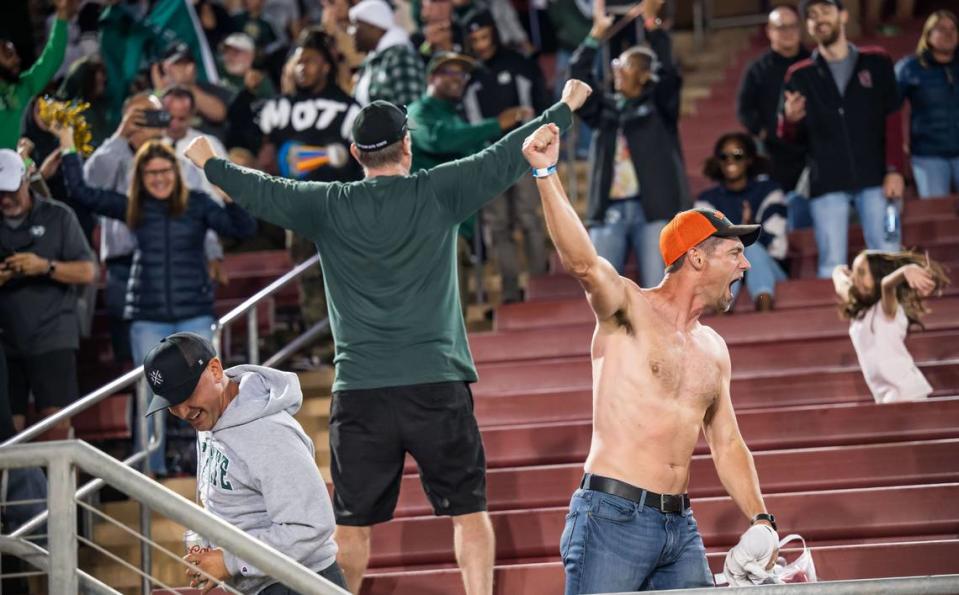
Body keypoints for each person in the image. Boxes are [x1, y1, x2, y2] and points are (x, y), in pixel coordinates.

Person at [182, 79, 592, 595]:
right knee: (469, 514)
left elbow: (261, 189)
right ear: (408, 145)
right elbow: (509, 153)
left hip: (360, 392)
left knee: (351, 526)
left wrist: (208, 161)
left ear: (355, 153)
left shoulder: (327, 204)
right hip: (436, 385)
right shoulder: (439, 189)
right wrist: (566, 106)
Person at [519, 123, 780, 593]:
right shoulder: (629, 309)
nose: (745, 266)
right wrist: (547, 173)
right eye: (735, 254)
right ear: (697, 259)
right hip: (610, 519)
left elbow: (727, 444)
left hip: (679, 528)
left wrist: (762, 519)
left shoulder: (713, 347)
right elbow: (582, 263)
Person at [57, 127, 257, 476]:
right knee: (153, 397)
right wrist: (67, 147)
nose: (159, 178)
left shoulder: (196, 204)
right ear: (140, 177)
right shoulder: (133, 206)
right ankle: (150, 471)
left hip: (194, 311)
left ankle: (225, 467)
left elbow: (242, 228)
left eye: (165, 171)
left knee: (210, 391)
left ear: (176, 173)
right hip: (148, 315)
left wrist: (226, 190)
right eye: (151, 173)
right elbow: (82, 192)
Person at [140, 332, 347, 593]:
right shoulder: (210, 417)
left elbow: (311, 525)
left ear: (215, 370)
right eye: (172, 403)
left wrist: (230, 561)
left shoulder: (269, 433)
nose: (182, 412)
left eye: (186, 393)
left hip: (300, 583)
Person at [83, 92, 223, 366]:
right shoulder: (112, 156)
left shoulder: (180, 166)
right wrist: (120, 137)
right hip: (124, 267)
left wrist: (212, 252)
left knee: (185, 364)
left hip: (177, 262)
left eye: (152, 116)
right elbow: (89, 184)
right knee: (134, 360)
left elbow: (199, 212)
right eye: (138, 116)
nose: (146, 124)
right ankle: (139, 408)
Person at [778, 0, 904, 279]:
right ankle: (839, 323)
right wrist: (790, 120)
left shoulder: (878, 61)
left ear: (843, 16)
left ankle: (897, 322)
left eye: (825, 11)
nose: (818, 19)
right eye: (811, 15)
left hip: (877, 179)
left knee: (888, 255)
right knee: (831, 266)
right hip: (827, 184)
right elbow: (787, 137)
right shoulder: (799, 75)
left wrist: (895, 170)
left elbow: (893, 119)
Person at [570, 0, 690, 288]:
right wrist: (594, 36)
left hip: (652, 209)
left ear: (645, 75)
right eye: (616, 64)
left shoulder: (660, 107)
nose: (618, 70)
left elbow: (670, 74)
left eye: (626, 65)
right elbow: (576, 79)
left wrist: (651, 25)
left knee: (657, 290)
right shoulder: (604, 109)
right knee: (602, 290)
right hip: (609, 211)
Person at [407, 51, 531, 308]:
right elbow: (437, 140)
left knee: (456, 313)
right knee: (440, 313)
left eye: (462, 74)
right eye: (449, 72)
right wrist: (495, 125)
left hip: (458, 228)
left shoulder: (454, 115)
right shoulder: (418, 112)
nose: (458, 79)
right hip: (432, 226)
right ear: (431, 77)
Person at [0, 148, 97, 435]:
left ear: (26, 179)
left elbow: (88, 271)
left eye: (10, 190)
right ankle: (18, 483)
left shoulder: (58, 216)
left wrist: (45, 267)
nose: (5, 199)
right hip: (5, 341)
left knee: (56, 422)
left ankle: (59, 483)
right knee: (8, 429)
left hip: (52, 334)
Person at [462, 10, 552, 303]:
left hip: (525, 155)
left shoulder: (519, 65)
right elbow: (468, 122)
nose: (481, 45)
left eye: (485, 37)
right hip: (489, 162)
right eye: (475, 40)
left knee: (529, 218)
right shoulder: (469, 76)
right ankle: (511, 291)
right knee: (498, 227)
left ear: (495, 33)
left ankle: (540, 284)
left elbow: (540, 104)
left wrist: (542, 142)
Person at [832, 250, 949, 404]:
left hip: (907, 393)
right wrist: (838, 270)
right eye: (854, 274)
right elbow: (841, 282)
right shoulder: (861, 312)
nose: (855, 278)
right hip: (886, 397)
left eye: (861, 273)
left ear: (877, 276)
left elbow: (887, 285)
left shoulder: (888, 309)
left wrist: (904, 272)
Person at [736, 5, 812, 231]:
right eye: (781, 27)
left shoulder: (814, 63)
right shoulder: (758, 69)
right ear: (769, 31)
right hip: (773, 156)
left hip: (811, 153)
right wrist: (764, 132)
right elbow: (744, 109)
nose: (788, 32)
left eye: (792, 26)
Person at [695, 133, 788, 311]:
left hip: (770, 270)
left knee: (749, 248)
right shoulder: (706, 201)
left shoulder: (769, 191)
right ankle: (723, 315)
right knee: (736, 251)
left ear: (749, 159)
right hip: (723, 270)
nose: (730, 161)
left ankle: (764, 313)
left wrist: (750, 230)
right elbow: (703, 252)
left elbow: (779, 248)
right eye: (724, 156)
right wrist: (741, 236)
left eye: (737, 155)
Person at [895, 10, 959, 199]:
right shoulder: (909, 68)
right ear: (928, 35)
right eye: (941, 29)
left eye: (953, 29)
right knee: (936, 214)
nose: (949, 34)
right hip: (928, 155)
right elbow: (889, 108)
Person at [0, 0, 72, 149]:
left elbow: (52, 58)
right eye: (8, 54)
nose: (17, 60)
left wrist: (62, 15)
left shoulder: (21, 88)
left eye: (15, 54)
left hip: (12, 169)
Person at [350, 0, 425, 107]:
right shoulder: (371, 61)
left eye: (355, 25)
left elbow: (411, 110)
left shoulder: (400, 56)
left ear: (373, 26)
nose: (351, 31)